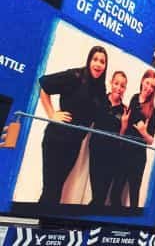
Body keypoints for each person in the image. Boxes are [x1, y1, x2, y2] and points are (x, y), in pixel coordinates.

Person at [37, 46, 107, 205]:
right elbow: (44, 84)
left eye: (102, 62)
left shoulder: (100, 89)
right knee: (50, 190)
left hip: (74, 145)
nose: (98, 64)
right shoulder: (74, 76)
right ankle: (38, 219)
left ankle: (42, 219)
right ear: (89, 61)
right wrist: (52, 114)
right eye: (95, 60)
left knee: (56, 189)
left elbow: (102, 116)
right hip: (56, 139)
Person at [112, 70, 155, 209]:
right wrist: (124, 122)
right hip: (124, 151)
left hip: (138, 157)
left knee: (133, 195)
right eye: (147, 83)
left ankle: (131, 221)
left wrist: (143, 132)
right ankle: (118, 219)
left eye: (152, 86)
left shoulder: (152, 110)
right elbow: (127, 122)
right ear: (142, 81)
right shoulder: (134, 98)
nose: (149, 88)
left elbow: (151, 141)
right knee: (115, 192)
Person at [88, 70, 128, 207]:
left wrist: (124, 126)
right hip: (96, 151)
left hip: (112, 156)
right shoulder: (100, 100)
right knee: (98, 196)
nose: (119, 88)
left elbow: (121, 138)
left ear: (125, 89)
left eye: (122, 86)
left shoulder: (125, 110)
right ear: (111, 83)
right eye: (116, 83)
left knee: (101, 197)